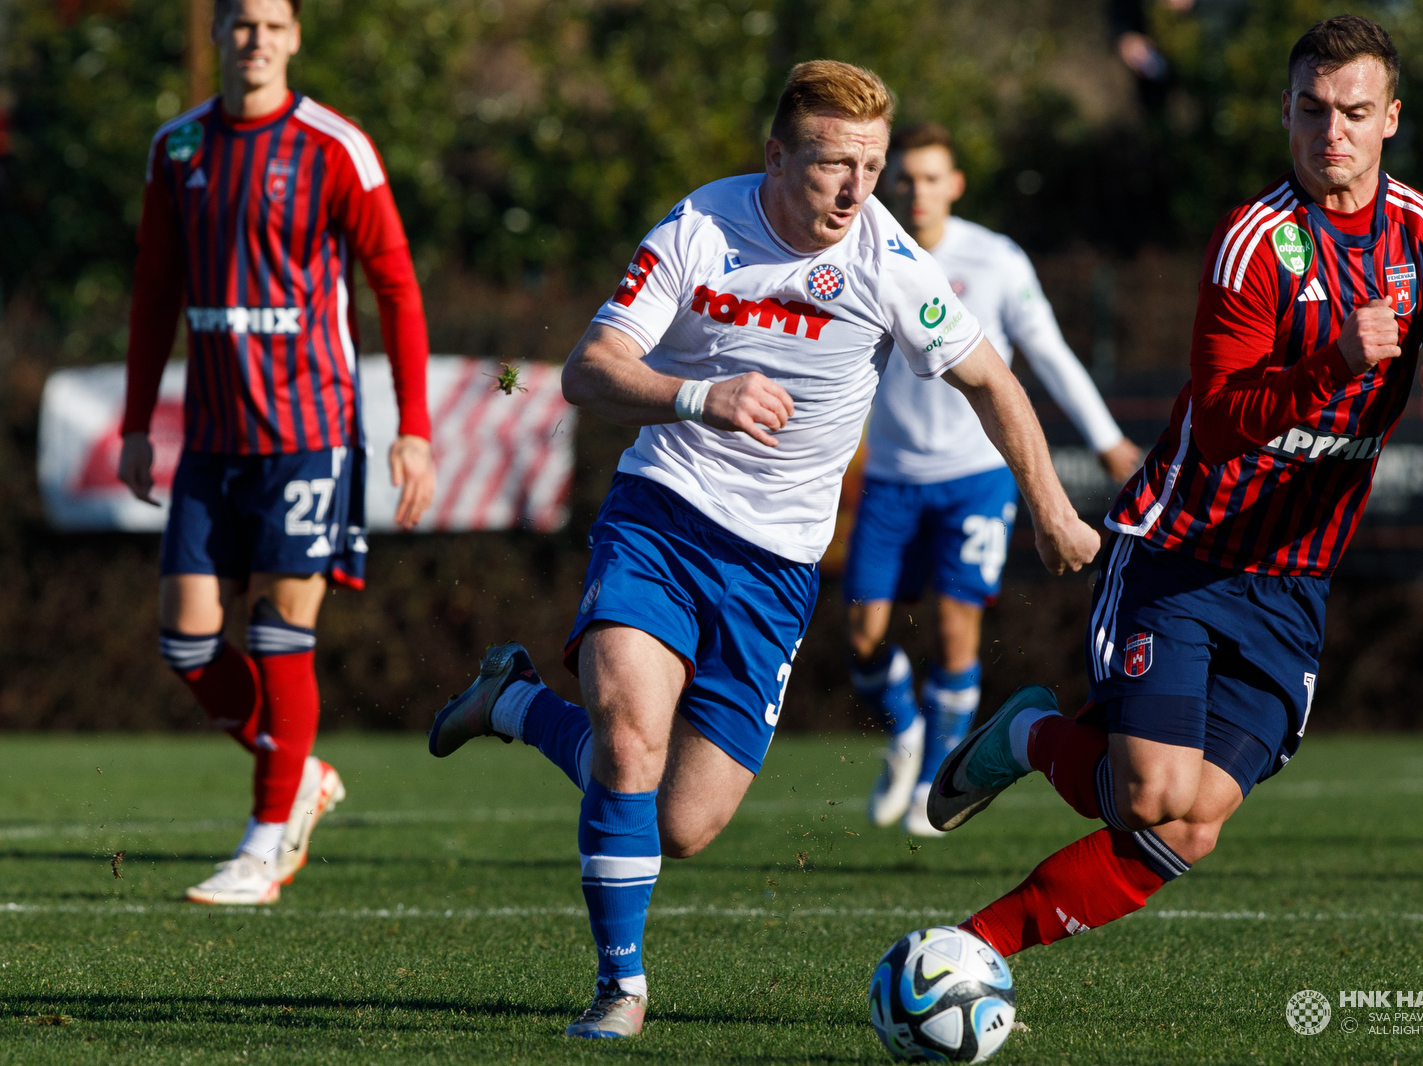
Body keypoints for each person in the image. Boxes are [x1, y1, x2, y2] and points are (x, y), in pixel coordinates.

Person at [427, 60, 1103, 1039]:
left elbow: (993, 383)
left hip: (777, 565)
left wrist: (1050, 508)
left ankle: (517, 701)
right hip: (663, 514)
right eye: (833, 163)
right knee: (626, 739)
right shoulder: (698, 229)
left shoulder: (889, 260)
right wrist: (703, 395)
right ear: (776, 155)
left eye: (870, 164)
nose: (856, 188)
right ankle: (619, 987)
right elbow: (590, 370)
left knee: (682, 823)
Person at [927, 16, 1423, 961]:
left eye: (1355, 111)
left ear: (1391, 118)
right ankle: (1028, 744)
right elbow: (1229, 411)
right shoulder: (1253, 241)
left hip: (1292, 585)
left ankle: (975, 944)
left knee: (1187, 826)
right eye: (1313, 109)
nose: (1333, 132)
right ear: (1286, 112)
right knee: (1152, 793)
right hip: (1182, 556)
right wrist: (1332, 362)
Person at [118, 0, 436, 906]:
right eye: (240, 22)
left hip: (310, 431)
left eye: (271, 23)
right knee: (186, 644)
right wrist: (138, 421)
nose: (255, 38)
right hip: (213, 437)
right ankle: (299, 772)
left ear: (295, 37)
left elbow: (396, 286)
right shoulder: (175, 149)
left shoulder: (336, 147)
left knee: (277, 633)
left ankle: (264, 846)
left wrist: (414, 427)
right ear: (217, 32)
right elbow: (152, 292)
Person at [844, 123, 1144, 837]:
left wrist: (1106, 443)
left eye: (931, 177)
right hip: (887, 476)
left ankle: (936, 776)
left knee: (954, 631)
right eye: (906, 179)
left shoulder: (997, 260)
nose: (917, 191)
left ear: (955, 185)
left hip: (974, 476)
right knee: (861, 639)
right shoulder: (863, 247)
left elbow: (1049, 355)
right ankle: (906, 732)